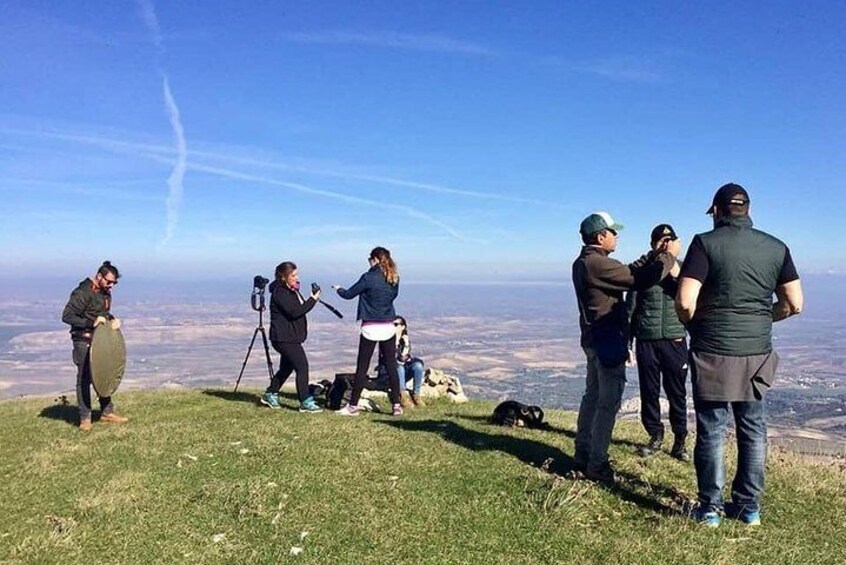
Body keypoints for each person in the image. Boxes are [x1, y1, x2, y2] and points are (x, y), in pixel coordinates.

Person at [676, 183, 802, 527]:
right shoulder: (777, 247)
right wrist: (763, 317)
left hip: (713, 350)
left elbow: (685, 300)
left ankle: (711, 509)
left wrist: (697, 326)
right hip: (757, 353)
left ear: (717, 211)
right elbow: (795, 304)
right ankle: (749, 508)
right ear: (747, 210)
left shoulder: (705, 243)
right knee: (753, 429)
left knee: (712, 430)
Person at [572, 212, 679, 483]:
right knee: (607, 404)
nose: (616, 236)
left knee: (592, 398)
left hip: (593, 340)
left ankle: (582, 454)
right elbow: (641, 279)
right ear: (600, 237)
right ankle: (597, 465)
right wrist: (669, 256)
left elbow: (630, 270)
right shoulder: (597, 264)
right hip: (607, 343)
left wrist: (653, 254)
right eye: (612, 232)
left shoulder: (586, 262)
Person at [626, 224, 690, 461]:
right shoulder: (643, 270)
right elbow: (631, 309)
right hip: (647, 341)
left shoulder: (683, 269)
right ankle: (655, 436)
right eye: (660, 240)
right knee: (649, 392)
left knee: (677, 394)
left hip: (674, 340)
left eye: (669, 240)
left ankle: (680, 441)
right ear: (652, 243)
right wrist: (628, 343)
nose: (665, 244)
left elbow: (690, 297)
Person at [332, 246, 404, 416]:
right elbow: (393, 297)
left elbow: (349, 294)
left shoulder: (368, 277)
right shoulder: (394, 277)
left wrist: (338, 289)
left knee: (362, 367)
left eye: (370, 259)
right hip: (388, 325)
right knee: (391, 366)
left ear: (375, 259)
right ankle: (396, 405)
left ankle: (353, 405)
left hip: (371, 326)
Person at [61, 260, 129, 431]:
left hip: (100, 340)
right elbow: (67, 316)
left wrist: (112, 319)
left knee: (104, 374)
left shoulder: (105, 293)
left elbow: (102, 313)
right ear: (99, 276)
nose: (111, 285)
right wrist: (91, 322)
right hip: (83, 339)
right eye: (109, 281)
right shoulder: (83, 291)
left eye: (114, 283)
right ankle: (85, 418)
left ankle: (107, 412)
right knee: (84, 378)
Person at [260, 261, 323, 413]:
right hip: (284, 338)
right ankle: (305, 401)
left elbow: (297, 309)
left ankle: (270, 393)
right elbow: (295, 312)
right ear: (283, 277)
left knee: (286, 368)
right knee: (302, 367)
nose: (296, 278)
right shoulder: (280, 293)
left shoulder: (288, 291)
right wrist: (313, 299)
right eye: (293, 275)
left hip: (288, 337)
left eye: (296, 275)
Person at [377, 316, 426, 408]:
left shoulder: (404, 341)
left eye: (396, 325)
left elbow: (404, 358)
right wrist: (395, 342)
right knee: (398, 367)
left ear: (403, 327)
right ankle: (402, 395)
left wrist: (406, 344)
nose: (393, 327)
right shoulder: (385, 341)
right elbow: (391, 359)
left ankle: (416, 394)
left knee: (418, 366)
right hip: (389, 374)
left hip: (401, 373)